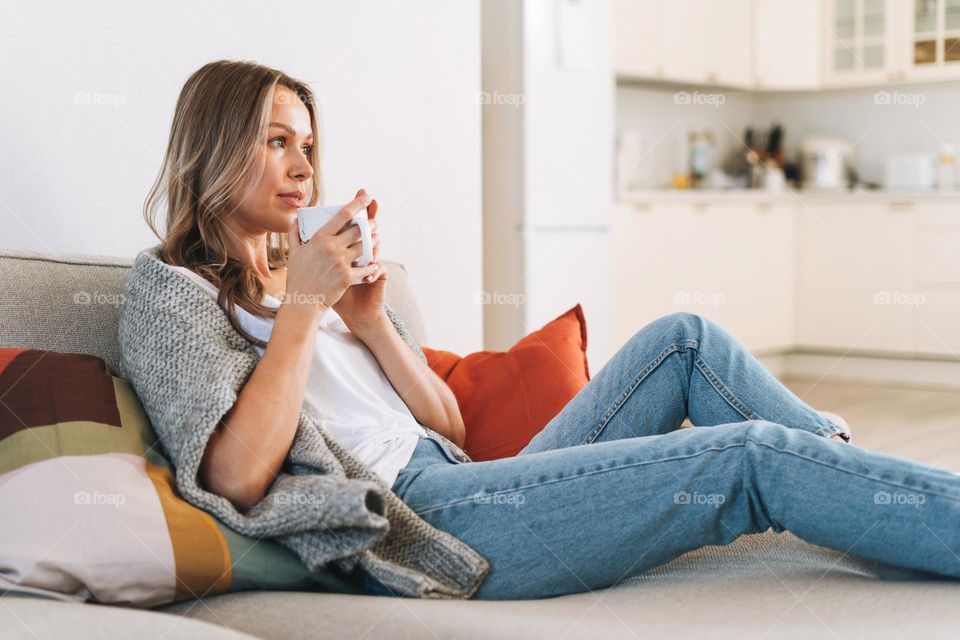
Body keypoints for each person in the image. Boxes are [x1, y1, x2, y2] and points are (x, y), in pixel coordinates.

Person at [130, 60, 960, 601]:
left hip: (464, 479)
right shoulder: (170, 294)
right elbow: (237, 478)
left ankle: (858, 487)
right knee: (744, 455)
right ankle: (885, 501)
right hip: (422, 525)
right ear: (214, 147)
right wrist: (304, 312)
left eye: (307, 144)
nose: (306, 168)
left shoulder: (313, 282)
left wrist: (372, 326)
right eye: (277, 143)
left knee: (685, 338)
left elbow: (450, 430)